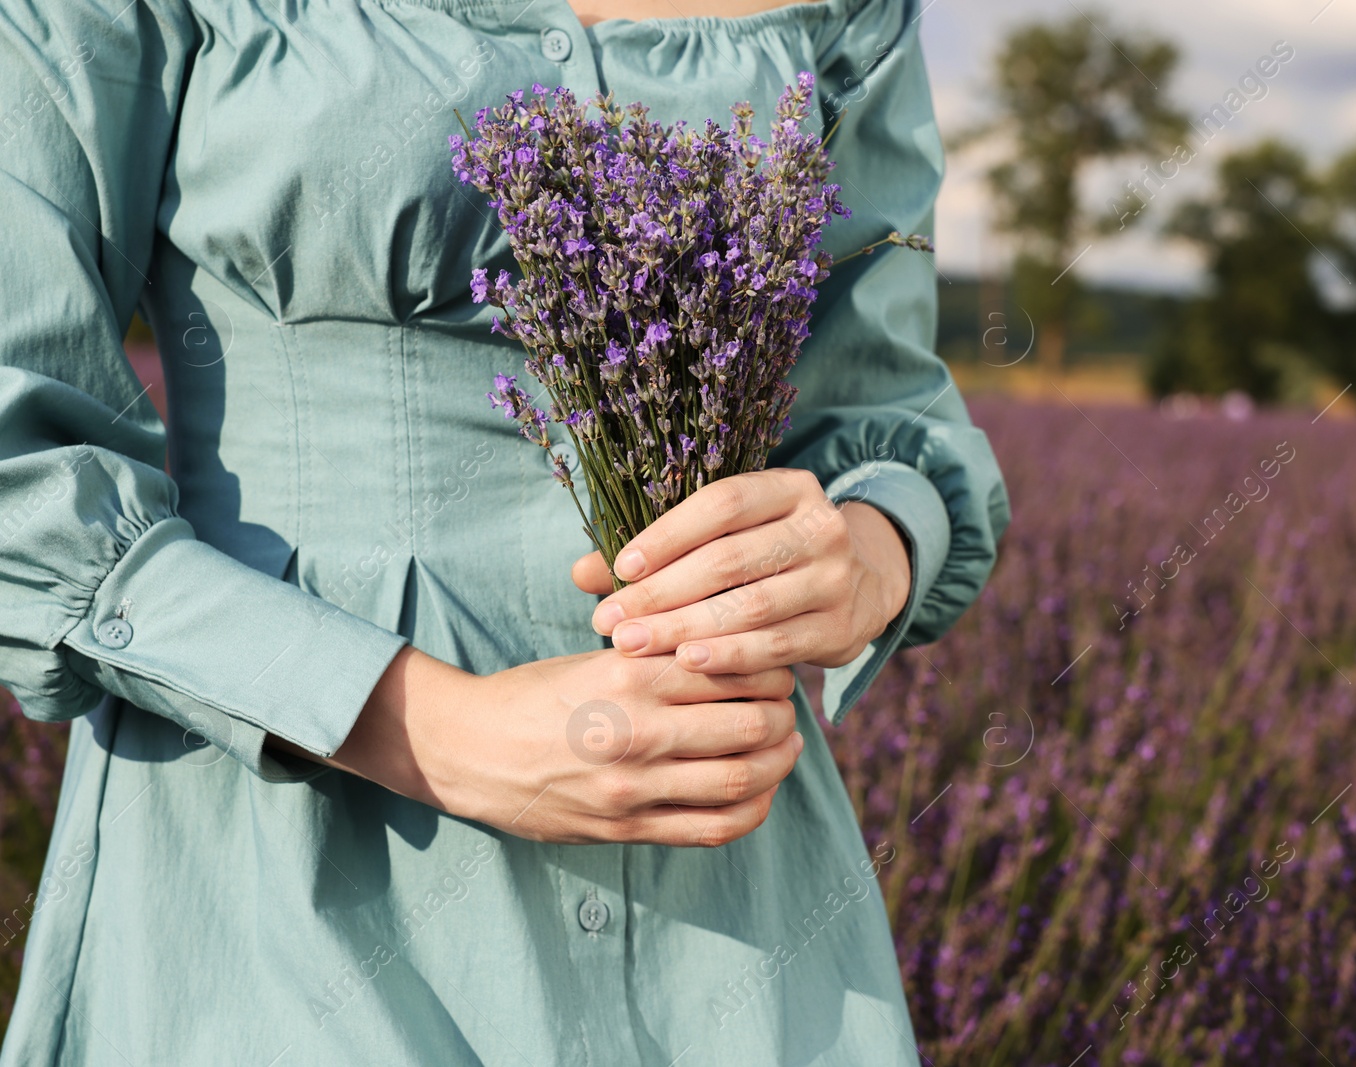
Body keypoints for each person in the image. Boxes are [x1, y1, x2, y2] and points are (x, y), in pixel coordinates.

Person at [0, 0, 1009, 1062]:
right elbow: (22, 465)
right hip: (278, 879)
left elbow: (888, 416)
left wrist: (861, 554)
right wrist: (439, 731)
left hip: (727, 897)